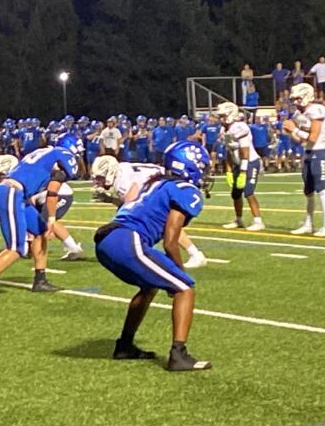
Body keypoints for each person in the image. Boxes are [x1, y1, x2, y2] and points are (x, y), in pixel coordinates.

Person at [93, 141, 211, 372]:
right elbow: (170, 239)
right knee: (185, 287)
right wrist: (179, 272)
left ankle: (125, 345)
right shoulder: (186, 190)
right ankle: (179, 355)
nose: (205, 172)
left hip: (108, 238)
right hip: (127, 240)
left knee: (149, 286)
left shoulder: (154, 183)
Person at [0, 136, 80, 299]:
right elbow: (52, 192)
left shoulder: (44, 152)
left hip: (18, 194)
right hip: (12, 193)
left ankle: (40, 280)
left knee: (39, 231)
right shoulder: (62, 156)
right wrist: (51, 219)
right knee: (16, 248)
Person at [90, 155, 210, 269]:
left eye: (100, 177)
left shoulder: (121, 180)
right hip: (162, 180)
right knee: (167, 223)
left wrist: (111, 200)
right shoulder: (122, 170)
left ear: (110, 172)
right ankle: (195, 254)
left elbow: (131, 207)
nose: (98, 181)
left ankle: (194, 255)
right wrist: (111, 199)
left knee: (166, 222)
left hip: (165, 184)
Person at [282, 83, 325, 237]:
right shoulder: (298, 114)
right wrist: (290, 133)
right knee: (308, 191)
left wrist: (294, 129)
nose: (296, 102)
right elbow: (300, 140)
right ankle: (309, 224)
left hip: (319, 151)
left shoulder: (316, 110)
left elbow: (313, 137)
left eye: (298, 98)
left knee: (322, 188)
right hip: (308, 152)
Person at [214, 103, 264, 232]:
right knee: (236, 194)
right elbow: (229, 151)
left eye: (223, 116)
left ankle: (258, 221)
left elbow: (245, 152)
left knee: (249, 192)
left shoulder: (240, 127)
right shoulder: (224, 130)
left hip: (250, 162)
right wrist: (229, 170)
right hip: (238, 163)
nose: (221, 119)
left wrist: (243, 171)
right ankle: (239, 219)